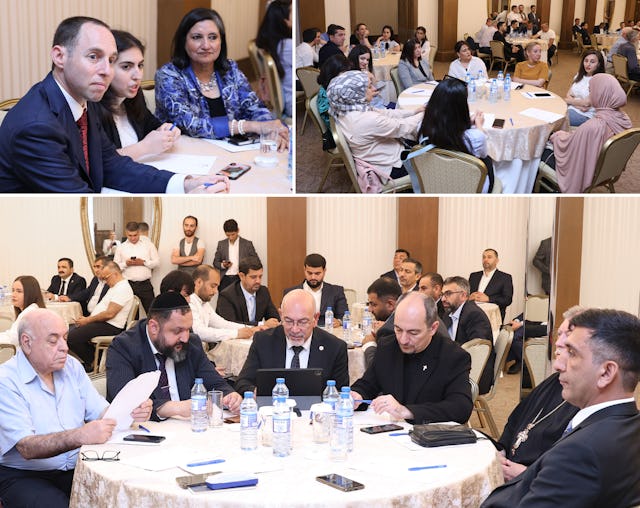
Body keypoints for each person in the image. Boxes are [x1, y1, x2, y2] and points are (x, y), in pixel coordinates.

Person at [0, 16, 227, 194]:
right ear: (59, 57)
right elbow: (76, 200)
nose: (106, 71)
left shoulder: (79, 102)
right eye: (93, 57)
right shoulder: (36, 127)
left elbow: (112, 165)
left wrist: (185, 184)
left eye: (110, 60)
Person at [481, 308, 640, 507]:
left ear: (606, 372)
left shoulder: (579, 453)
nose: (558, 365)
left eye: (572, 353)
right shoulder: (627, 423)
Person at [0, 309, 152, 507]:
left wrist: (131, 411)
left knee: (122, 494)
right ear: (27, 342)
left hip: (76, 466)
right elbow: (27, 448)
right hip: (25, 474)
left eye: (65, 338)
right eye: (53, 341)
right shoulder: (6, 381)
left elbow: (102, 413)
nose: (64, 347)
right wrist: (80, 436)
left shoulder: (71, 367)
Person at [155, 8, 288, 149]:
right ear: (184, 42)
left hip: (230, 152)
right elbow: (192, 125)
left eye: (213, 37)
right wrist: (252, 126)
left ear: (221, 41)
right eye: (196, 37)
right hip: (184, 155)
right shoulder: (169, 76)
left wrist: (271, 129)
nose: (206, 45)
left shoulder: (230, 70)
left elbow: (254, 107)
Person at [106, 292, 242, 420]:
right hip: (146, 432)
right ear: (154, 327)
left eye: (188, 329)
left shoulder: (191, 344)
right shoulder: (124, 347)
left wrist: (230, 396)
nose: (185, 338)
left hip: (187, 429)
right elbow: (124, 402)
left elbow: (216, 383)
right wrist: (173, 408)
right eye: (178, 331)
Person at [351, 292, 473, 424]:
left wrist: (407, 411)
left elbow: (461, 408)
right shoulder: (387, 347)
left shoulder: (452, 356)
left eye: (413, 332)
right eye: (398, 329)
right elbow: (368, 385)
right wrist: (357, 395)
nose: (403, 340)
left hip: (429, 434)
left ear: (433, 328)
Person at [498, 307, 583, 481]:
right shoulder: (555, 380)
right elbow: (515, 420)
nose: (559, 343)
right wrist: (501, 450)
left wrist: (525, 474)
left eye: (568, 336)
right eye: (559, 334)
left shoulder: (586, 400)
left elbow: (567, 475)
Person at [235, 289, 349, 395]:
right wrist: (257, 393)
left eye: (302, 322)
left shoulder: (334, 347)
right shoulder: (263, 341)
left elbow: (341, 393)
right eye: (288, 321)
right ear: (281, 315)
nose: (295, 329)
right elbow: (243, 382)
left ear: (316, 318)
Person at [327, 70, 423, 185]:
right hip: (392, 165)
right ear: (355, 93)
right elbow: (402, 127)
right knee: (433, 157)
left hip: (376, 156)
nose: (374, 89)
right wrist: (424, 114)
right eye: (368, 87)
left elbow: (386, 113)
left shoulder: (347, 110)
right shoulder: (366, 119)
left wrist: (414, 112)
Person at [97, 30, 180, 161]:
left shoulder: (133, 97)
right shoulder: (91, 107)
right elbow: (99, 162)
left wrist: (166, 130)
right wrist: (145, 147)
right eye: (126, 67)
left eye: (140, 65)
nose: (138, 75)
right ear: (107, 68)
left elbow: (151, 125)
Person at [541, 73, 632, 193]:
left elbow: (568, 149)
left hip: (587, 170)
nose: (590, 96)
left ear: (600, 94)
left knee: (540, 149)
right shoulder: (625, 119)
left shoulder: (593, 127)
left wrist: (556, 136)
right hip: (606, 170)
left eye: (591, 92)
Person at [413, 77, 495, 193]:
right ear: (461, 108)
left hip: (436, 181)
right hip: (471, 187)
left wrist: (467, 123)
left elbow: (447, 126)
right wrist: (479, 126)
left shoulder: (423, 127)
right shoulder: (475, 137)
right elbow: (484, 153)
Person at [67, 261, 134, 371]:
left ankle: (94, 362)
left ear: (115, 274)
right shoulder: (115, 287)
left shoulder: (123, 288)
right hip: (102, 323)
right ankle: (93, 361)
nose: (105, 282)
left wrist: (87, 320)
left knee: (71, 336)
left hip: (111, 326)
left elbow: (110, 313)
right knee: (69, 331)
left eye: (106, 278)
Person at [441, 276, 495, 394]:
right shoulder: (448, 313)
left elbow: (478, 349)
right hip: (456, 366)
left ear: (464, 295)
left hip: (475, 374)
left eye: (448, 294)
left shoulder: (474, 315)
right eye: (443, 294)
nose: (443, 298)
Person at [189, 265, 259, 344]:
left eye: (217, 287)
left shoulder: (204, 303)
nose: (215, 291)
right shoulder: (189, 302)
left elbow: (221, 324)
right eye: (213, 286)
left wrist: (251, 329)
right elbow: (200, 332)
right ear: (199, 282)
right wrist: (236, 334)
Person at [283, 253, 348, 328]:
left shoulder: (336, 291)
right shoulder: (291, 293)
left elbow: (344, 315)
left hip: (328, 333)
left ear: (324, 271)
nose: (313, 277)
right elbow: (285, 319)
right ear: (304, 270)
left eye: (317, 273)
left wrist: (339, 322)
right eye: (309, 273)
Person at [216, 256, 279, 327]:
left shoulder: (263, 291)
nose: (258, 281)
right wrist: (261, 324)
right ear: (241, 276)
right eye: (253, 277)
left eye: (260, 276)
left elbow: (273, 317)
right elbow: (230, 325)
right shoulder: (227, 295)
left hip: (257, 336)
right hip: (235, 337)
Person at [256, 0, 292, 118]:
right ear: (284, 20)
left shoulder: (272, 42)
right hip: (289, 103)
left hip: (279, 100)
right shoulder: (287, 45)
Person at [114, 221, 159, 313]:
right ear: (126, 233)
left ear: (139, 232)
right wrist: (126, 264)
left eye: (135, 235)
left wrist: (143, 262)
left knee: (152, 312)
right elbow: (115, 266)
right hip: (128, 284)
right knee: (130, 314)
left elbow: (157, 262)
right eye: (130, 235)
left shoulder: (149, 245)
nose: (133, 238)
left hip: (145, 285)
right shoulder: (121, 247)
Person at [361, 277, 402, 369]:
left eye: (374, 304)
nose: (370, 309)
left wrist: (369, 345)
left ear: (391, 304)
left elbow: (379, 370)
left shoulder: (392, 329)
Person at [212, 219, 259, 291]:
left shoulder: (247, 244)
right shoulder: (221, 244)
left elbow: (256, 261)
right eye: (228, 235)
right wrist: (223, 265)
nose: (230, 237)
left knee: (241, 300)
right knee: (224, 301)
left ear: (238, 230)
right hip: (224, 279)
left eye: (233, 234)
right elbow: (215, 262)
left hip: (240, 277)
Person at [468, 248, 513, 321]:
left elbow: (507, 300)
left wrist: (489, 299)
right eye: (484, 257)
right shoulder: (473, 276)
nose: (485, 259)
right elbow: (466, 295)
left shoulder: (505, 277)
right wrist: (469, 297)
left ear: (497, 260)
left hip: (492, 318)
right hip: (471, 315)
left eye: (489, 257)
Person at [0, 276, 46, 346]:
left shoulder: (30, 312)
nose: (13, 295)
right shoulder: (32, 309)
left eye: (19, 291)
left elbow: (13, 339)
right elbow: (11, 334)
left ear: (30, 293)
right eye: (13, 290)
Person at [565, 50, 605, 127]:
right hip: (573, 109)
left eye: (592, 62)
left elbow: (586, 104)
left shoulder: (598, 80)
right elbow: (568, 94)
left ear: (599, 64)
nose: (588, 64)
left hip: (586, 115)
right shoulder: (579, 75)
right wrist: (579, 105)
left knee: (557, 119)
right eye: (586, 61)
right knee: (553, 112)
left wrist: (569, 101)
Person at [316, 53, 352, 132]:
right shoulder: (325, 94)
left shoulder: (337, 86)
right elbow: (331, 121)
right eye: (344, 74)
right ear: (333, 73)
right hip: (339, 129)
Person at [347, 45, 386, 109]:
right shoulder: (351, 75)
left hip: (374, 103)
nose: (365, 62)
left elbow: (374, 88)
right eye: (362, 58)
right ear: (355, 57)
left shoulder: (365, 72)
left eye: (367, 60)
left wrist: (371, 76)